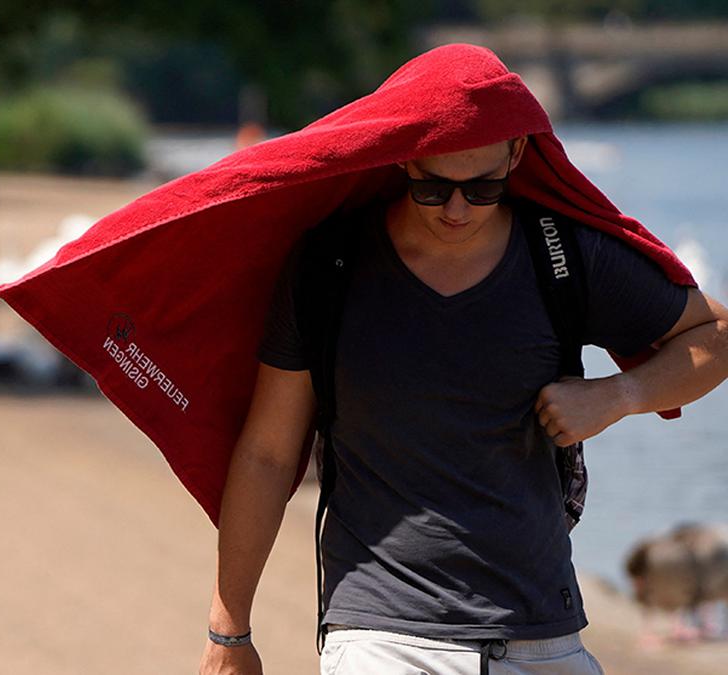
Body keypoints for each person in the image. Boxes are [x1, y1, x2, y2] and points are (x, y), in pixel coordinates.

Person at [198, 56, 728, 674]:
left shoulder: (563, 257)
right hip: (382, 635)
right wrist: (228, 632)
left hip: (545, 636)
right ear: (401, 157)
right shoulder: (330, 268)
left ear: (515, 157)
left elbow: (715, 333)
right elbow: (267, 452)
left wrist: (619, 395)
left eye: (480, 188)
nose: (455, 209)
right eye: (433, 186)